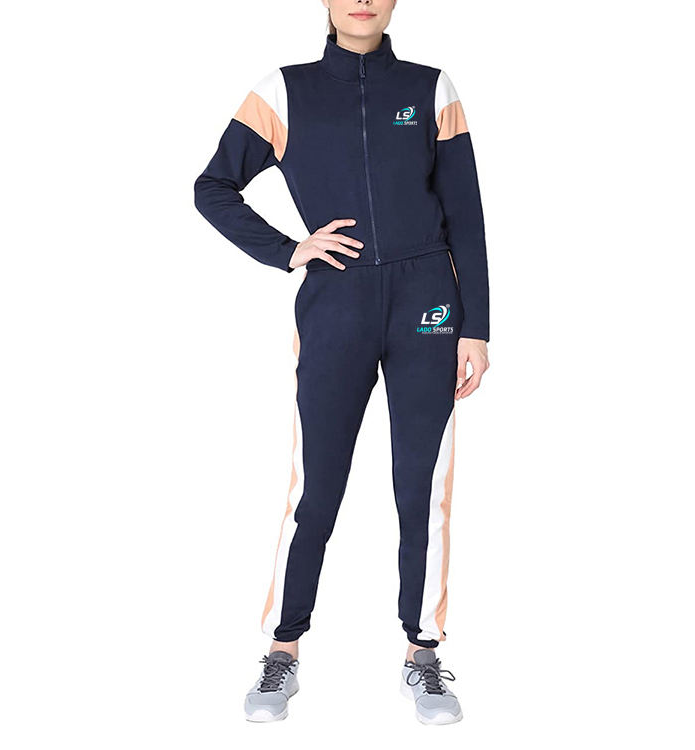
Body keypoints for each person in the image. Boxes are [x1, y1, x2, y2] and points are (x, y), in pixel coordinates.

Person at [193, 0, 490, 725]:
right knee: (316, 486)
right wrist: (288, 249)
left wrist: (475, 327)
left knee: (422, 484)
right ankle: (283, 648)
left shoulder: (431, 88)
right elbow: (212, 187)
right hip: (337, 303)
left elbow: (466, 213)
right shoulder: (283, 89)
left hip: (428, 302)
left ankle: (423, 653)